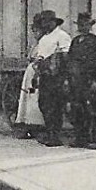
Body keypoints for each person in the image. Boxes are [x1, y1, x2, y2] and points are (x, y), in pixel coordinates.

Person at [66, 12, 96, 148]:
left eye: (85, 24)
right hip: (76, 81)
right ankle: (80, 138)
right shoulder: (75, 41)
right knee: (78, 109)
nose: (82, 27)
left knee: (94, 110)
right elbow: (70, 61)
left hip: (90, 80)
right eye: (80, 24)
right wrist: (68, 79)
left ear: (90, 26)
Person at [31, 10, 72, 146]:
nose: (45, 24)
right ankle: (50, 133)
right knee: (44, 104)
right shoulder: (44, 38)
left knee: (55, 106)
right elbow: (40, 56)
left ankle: (55, 136)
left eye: (47, 22)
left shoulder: (62, 36)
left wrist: (65, 76)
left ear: (54, 22)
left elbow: (66, 57)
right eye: (43, 22)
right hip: (45, 75)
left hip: (57, 76)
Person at [13, 24, 47, 139]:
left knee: (34, 96)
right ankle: (27, 123)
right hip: (30, 73)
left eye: (37, 31)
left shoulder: (44, 43)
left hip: (37, 74)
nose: (35, 34)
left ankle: (37, 124)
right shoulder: (35, 45)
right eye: (34, 32)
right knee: (28, 96)